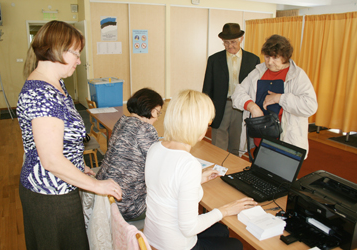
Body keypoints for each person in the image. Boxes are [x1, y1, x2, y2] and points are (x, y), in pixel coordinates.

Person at [16, 20, 122, 250]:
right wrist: (98, 186)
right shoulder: (41, 93)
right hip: (49, 194)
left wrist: (76, 164)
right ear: (55, 49)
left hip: (61, 184)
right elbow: (51, 160)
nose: (79, 60)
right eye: (76, 53)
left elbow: (59, 143)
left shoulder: (56, 84)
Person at [144, 90, 257, 250]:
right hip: (176, 245)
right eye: (207, 122)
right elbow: (189, 228)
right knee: (236, 244)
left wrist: (198, 179)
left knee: (221, 230)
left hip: (153, 236)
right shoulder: (188, 164)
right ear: (196, 124)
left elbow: (168, 184)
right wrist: (226, 210)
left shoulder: (155, 147)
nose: (208, 126)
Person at [232, 34, 318, 157]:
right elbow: (238, 93)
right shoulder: (258, 71)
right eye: (267, 57)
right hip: (260, 140)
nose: (269, 62)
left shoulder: (298, 75)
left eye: (275, 58)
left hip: (284, 143)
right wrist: (252, 106)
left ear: (285, 57)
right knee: (257, 174)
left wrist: (280, 98)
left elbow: (310, 106)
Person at [96, 88, 163, 221]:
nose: (156, 118)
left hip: (104, 198)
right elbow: (159, 166)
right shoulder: (145, 128)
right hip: (127, 205)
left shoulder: (122, 121)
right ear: (151, 110)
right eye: (158, 112)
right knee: (170, 200)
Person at [203, 23, 260, 156]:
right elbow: (207, 88)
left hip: (242, 107)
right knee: (218, 145)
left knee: (237, 143)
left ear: (241, 39)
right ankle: (218, 170)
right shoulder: (214, 60)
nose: (229, 46)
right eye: (226, 42)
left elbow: (257, 87)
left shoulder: (253, 60)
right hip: (221, 105)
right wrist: (206, 111)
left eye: (233, 42)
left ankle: (234, 172)